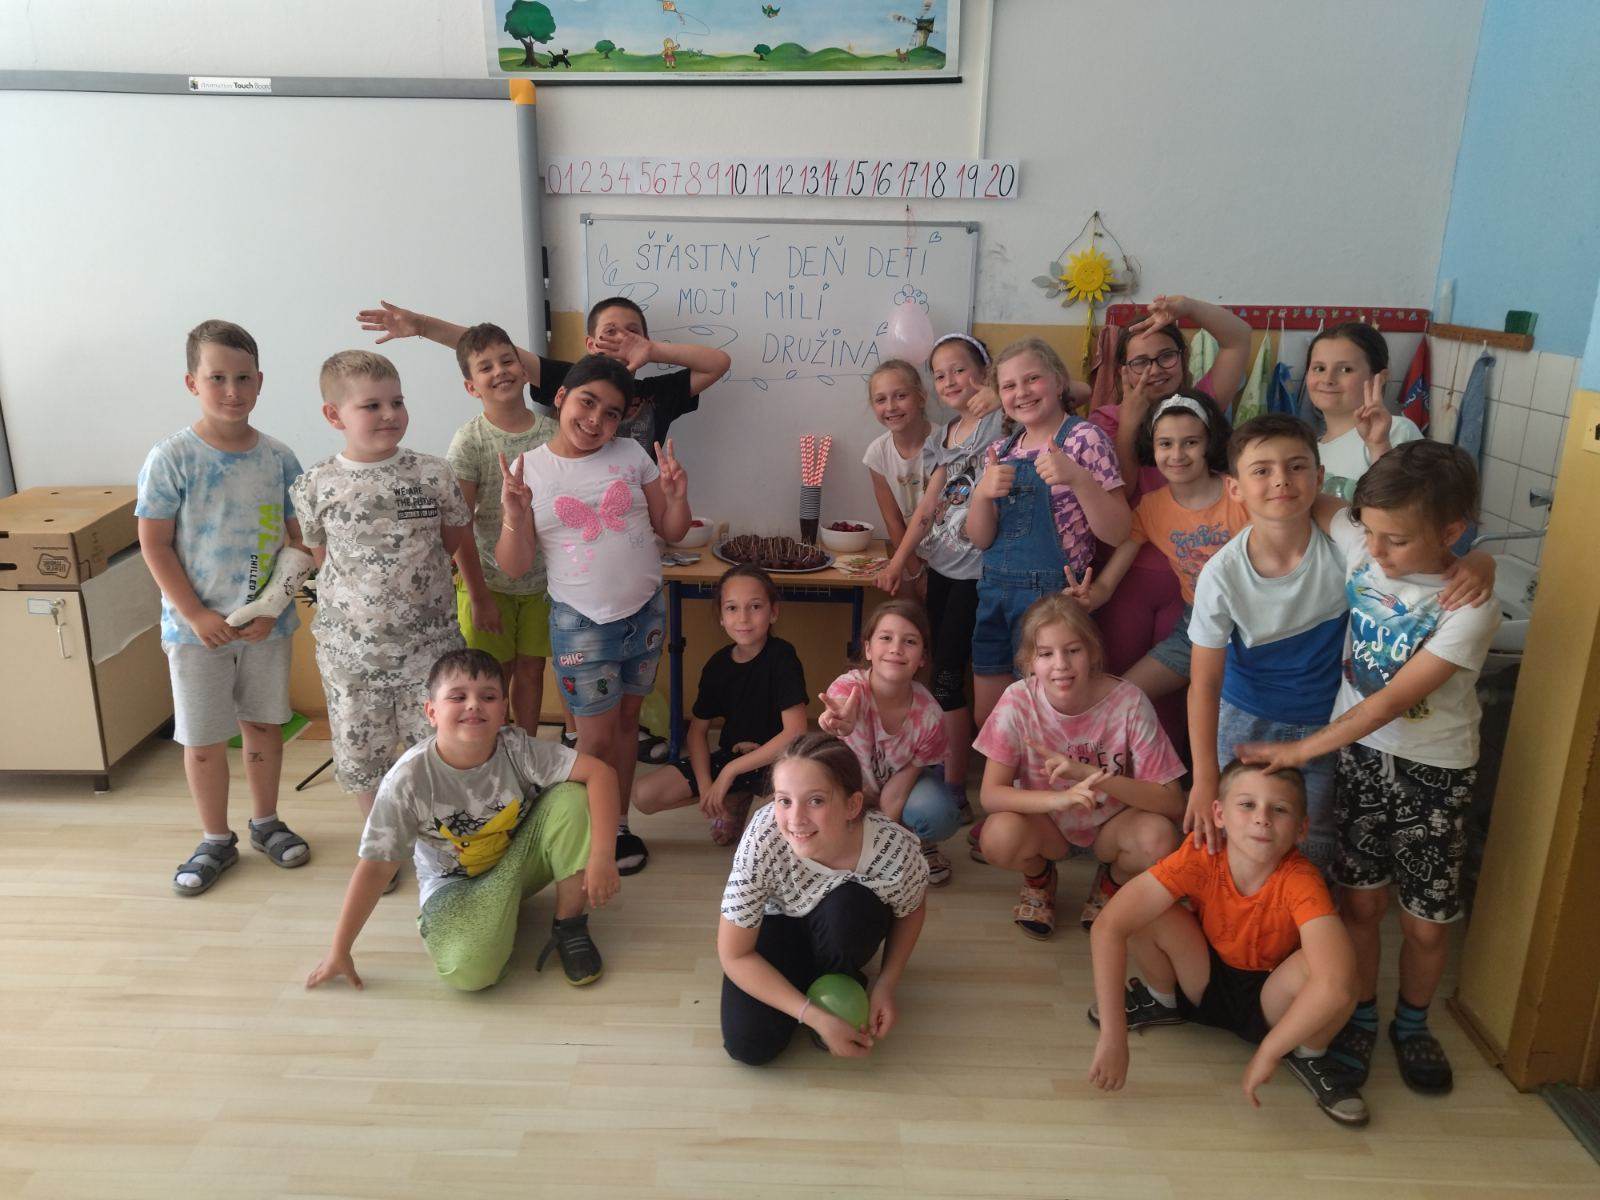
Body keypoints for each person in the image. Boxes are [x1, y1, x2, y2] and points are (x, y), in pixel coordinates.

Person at [1236, 441, 1500, 1096]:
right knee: (1360, 902)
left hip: (1433, 772)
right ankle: (1360, 1015)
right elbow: (1314, 497)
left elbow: (1388, 702)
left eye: (1397, 540)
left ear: (1451, 533)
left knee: (1425, 923)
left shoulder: (1469, 607)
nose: (1375, 551)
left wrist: (1300, 751)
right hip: (1360, 761)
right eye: (1370, 532)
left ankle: (1412, 1024)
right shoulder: (1367, 543)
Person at [1186, 414, 1492, 873]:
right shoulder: (1223, 574)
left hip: (1330, 726)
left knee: (1313, 847)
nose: (1281, 480)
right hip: (1249, 722)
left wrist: (1481, 559)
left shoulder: (1354, 551)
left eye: (1296, 466)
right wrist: (1204, 776)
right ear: (1234, 487)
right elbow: (1204, 684)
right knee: (1244, 844)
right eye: (1262, 470)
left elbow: (1406, 517)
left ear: (1320, 477)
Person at [304, 649, 621, 990]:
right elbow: (376, 867)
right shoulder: (407, 780)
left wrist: (602, 856)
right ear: (431, 712)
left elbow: (600, 774)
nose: (473, 705)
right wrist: (340, 949)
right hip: (455, 884)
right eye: (457, 697)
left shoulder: (517, 748)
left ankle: (569, 925)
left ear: (503, 710)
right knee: (469, 975)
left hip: (516, 861)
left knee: (572, 795)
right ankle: (481, 920)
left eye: (488, 697)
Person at [1086, 760, 1368, 1127]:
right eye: (1248, 804)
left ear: (1302, 829)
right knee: (1145, 911)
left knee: (1342, 973)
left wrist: (1268, 1053)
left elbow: (1336, 984)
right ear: (1218, 814)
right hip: (1204, 978)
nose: (1262, 818)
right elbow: (1109, 926)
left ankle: (1309, 1053)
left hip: (1274, 1000)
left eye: (1279, 809)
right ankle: (1162, 999)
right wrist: (1113, 1037)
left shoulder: (1302, 881)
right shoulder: (1200, 855)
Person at [496, 354, 692, 878]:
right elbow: (514, 566)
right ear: (561, 398)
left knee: (627, 724)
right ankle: (591, 835)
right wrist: (514, 516)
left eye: (611, 413)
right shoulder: (530, 468)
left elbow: (672, 529)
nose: (596, 420)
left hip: (645, 614)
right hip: (581, 623)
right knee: (595, 739)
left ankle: (617, 825)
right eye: (587, 402)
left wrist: (677, 497)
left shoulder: (630, 454)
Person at [137, 319, 314, 896]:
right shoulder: (171, 458)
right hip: (196, 632)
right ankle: (215, 838)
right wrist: (195, 615)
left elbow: (300, 542)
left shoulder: (280, 458)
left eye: (243, 378)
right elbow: (154, 544)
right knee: (205, 739)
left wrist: (272, 607)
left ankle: (266, 822)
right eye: (217, 378)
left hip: (265, 628)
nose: (232, 390)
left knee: (263, 725)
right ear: (193, 382)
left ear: (260, 381)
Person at [290, 351, 485, 867]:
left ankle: (440, 850)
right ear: (334, 415)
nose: (389, 414)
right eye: (371, 405)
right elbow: (322, 557)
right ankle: (383, 849)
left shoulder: (433, 474)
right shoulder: (315, 484)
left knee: (440, 750)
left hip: (429, 651)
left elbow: (451, 542)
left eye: (397, 402)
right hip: (351, 658)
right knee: (364, 757)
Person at [974, 595, 1185, 937]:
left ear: (1093, 653)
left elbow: (1171, 800)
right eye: (1046, 653)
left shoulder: (1129, 701)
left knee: (1159, 838)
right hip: (1048, 826)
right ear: (1029, 661)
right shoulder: (1017, 699)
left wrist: (1089, 775)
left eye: (1073, 650)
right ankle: (1040, 879)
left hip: (1112, 825)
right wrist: (1059, 799)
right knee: (998, 837)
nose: (1061, 665)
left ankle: (1112, 882)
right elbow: (990, 795)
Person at [719, 733, 930, 1064]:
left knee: (849, 909)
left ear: (852, 805)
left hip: (842, 921)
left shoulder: (894, 848)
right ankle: (810, 985)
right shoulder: (761, 841)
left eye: (816, 801)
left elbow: (911, 908)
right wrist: (812, 1015)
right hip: (779, 923)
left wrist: (886, 984)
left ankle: (837, 973)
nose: (796, 819)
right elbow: (734, 954)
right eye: (784, 801)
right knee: (749, 1045)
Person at [1086, 296, 1252, 688]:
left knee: (1180, 692)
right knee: (1121, 683)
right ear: (1123, 371)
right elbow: (1121, 493)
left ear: (1183, 358)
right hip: (1127, 575)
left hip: (1193, 585)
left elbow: (1239, 339)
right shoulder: (1104, 421)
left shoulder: (1201, 407)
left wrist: (1186, 306)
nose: (1154, 370)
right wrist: (1130, 422)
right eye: (1140, 362)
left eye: (1166, 357)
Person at [876, 333, 1008, 823]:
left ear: (985, 371)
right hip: (943, 569)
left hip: (981, 574)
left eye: (960, 369)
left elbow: (1068, 389)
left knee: (952, 677)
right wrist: (899, 562)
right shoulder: (942, 437)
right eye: (940, 374)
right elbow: (928, 508)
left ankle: (954, 788)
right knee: (941, 672)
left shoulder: (1002, 417)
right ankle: (947, 770)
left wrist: (1001, 392)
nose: (950, 380)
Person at [966, 338, 1131, 731]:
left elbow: (1118, 531)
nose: (1021, 392)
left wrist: (1078, 479)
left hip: (1054, 601)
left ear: (1058, 382)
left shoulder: (1084, 439)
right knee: (990, 720)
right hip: (995, 595)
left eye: (1032, 379)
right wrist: (982, 495)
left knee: (1047, 720)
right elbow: (981, 539)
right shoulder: (1000, 450)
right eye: (1009, 385)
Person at [355, 295, 731, 458]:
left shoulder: (657, 393)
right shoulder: (568, 380)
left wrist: (654, 350)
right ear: (590, 344)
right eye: (611, 332)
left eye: (633, 333)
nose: (622, 339)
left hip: (637, 523)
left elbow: (718, 363)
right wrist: (422, 326)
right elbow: (493, 349)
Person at [1072, 391, 1245, 707]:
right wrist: (1088, 598)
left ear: (1209, 444)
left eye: (1190, 442)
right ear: (1152, 447)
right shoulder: (1150, 508)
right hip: (1197, 626)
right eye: (1165, 444)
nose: (1177, 454)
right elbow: (1107, 584)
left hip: (1255, 627)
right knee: (1114, 700)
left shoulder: (1241, 492)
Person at [632, 564, 808, 844]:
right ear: (722, 617)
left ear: (773, 612)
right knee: (644, 795)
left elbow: (795, 732)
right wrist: (707, 788)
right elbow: (697, 732)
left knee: (765, 837)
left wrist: (729, 773)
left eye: (755, 607)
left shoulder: (783, 657)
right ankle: (734, 796)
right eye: (732, 608)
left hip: (780, 762)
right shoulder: (717, 665)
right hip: (734, 757)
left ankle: (747, 801)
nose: (743, 618)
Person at [444, 322, 559, 737]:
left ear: (524, 370)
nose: (500, 371)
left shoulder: (552, 434)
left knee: (531, 670)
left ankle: (524, 750)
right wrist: (478, 597)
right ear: (471, 386)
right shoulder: (469, 441)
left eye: (507, 360)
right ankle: (490, 754)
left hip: (542, 584)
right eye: (486, 367)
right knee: (491, 679)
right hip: (487, 585)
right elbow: (458, 524)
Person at [817, 600, 959, 885]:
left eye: (910, 641)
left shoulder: (931, 715)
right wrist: (839, 721)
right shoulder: (849, 687)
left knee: (938, 813)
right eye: (885, 638)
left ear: (922, 657)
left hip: (898, 789)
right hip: (851, 788)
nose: (896, 648)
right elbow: (841, 709)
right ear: (868, 649)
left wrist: (879, 846)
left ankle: (920, 841)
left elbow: (896, 793)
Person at [1304, 322, 1422, 501]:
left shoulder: (1396, 431)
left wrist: (1379, 446)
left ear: (1379, 378)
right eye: (1319, 368)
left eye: (1346, 369)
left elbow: (1411, 507)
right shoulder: (1308, 449)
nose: (1328, 379)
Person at [859, 358, 933, 562]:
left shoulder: (946, 442)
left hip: (953, 561)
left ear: (921, 398)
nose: (891, 407)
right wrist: (914, 569)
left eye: (901, 396)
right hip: (910, 555)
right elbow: (893, 521)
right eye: (880, 400)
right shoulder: (877, 453)